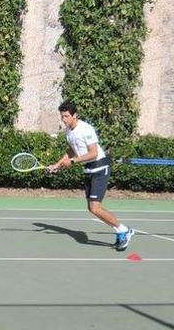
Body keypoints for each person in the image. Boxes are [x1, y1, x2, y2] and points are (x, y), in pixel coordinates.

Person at [47, 101, 134, 251]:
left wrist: (72, 161)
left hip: (100, 168)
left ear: (75, 115)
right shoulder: (68, 130)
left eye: (67, 116)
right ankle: (121, 231)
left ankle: (124, 230)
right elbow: (71, 150)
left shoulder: (86, 129)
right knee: (92, 208)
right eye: (62, 116)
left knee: (95, 208)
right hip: (89, 170)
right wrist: (57, 164)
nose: (64, 119)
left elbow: (93, 153)